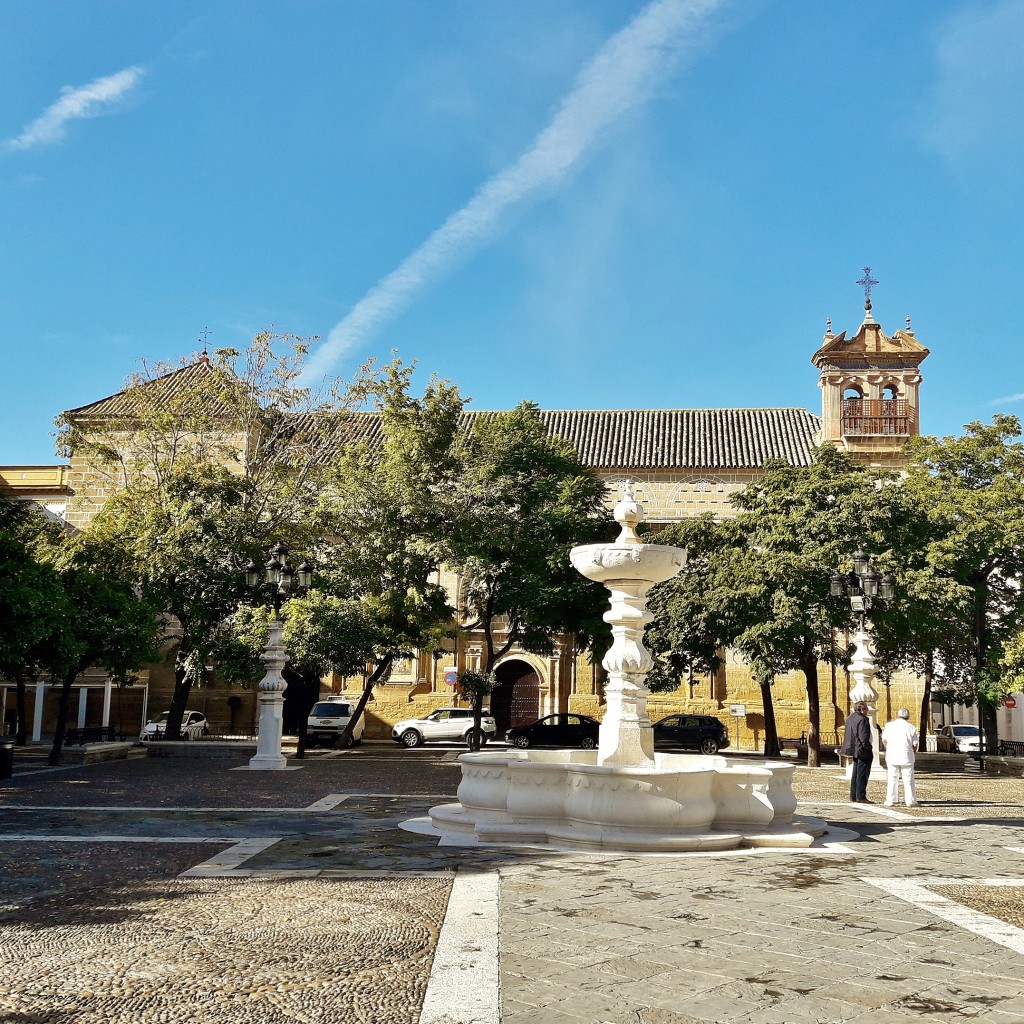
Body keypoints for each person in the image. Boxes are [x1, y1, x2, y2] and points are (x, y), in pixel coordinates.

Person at [881, 708, 919, 807]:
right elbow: (915, 744)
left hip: (892, 755)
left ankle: (891, 800)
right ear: (908, 716)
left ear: (898, 715)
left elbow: (884, 741)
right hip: (906, 756)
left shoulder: (889, 726)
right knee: (908, 780)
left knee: (892, 778)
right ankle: (910, 800)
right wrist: (913, 751)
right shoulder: (911, 727)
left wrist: (889, 748)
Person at [841, 701, 874, 803]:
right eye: (866, 709)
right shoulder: (862, 719)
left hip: (854, 748)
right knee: (862, 773)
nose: (867, 711)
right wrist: (867, 747)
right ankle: (860, 796)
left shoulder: (850, 718)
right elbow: (863, 736)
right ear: (862, 709)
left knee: (855, 773)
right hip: (862, 749)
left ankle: (854, 796)